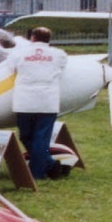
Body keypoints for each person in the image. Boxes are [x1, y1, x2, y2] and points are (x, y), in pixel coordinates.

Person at [9, 27, 68, 180]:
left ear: (33, 38)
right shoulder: (59, 54)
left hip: (25, 100)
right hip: (47, 100)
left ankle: (37, 173)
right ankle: (49, 164)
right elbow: (61, 68)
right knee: (39, 138)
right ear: (49, 39)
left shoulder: (18, 54)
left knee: (27, 136)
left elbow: (10, 69)